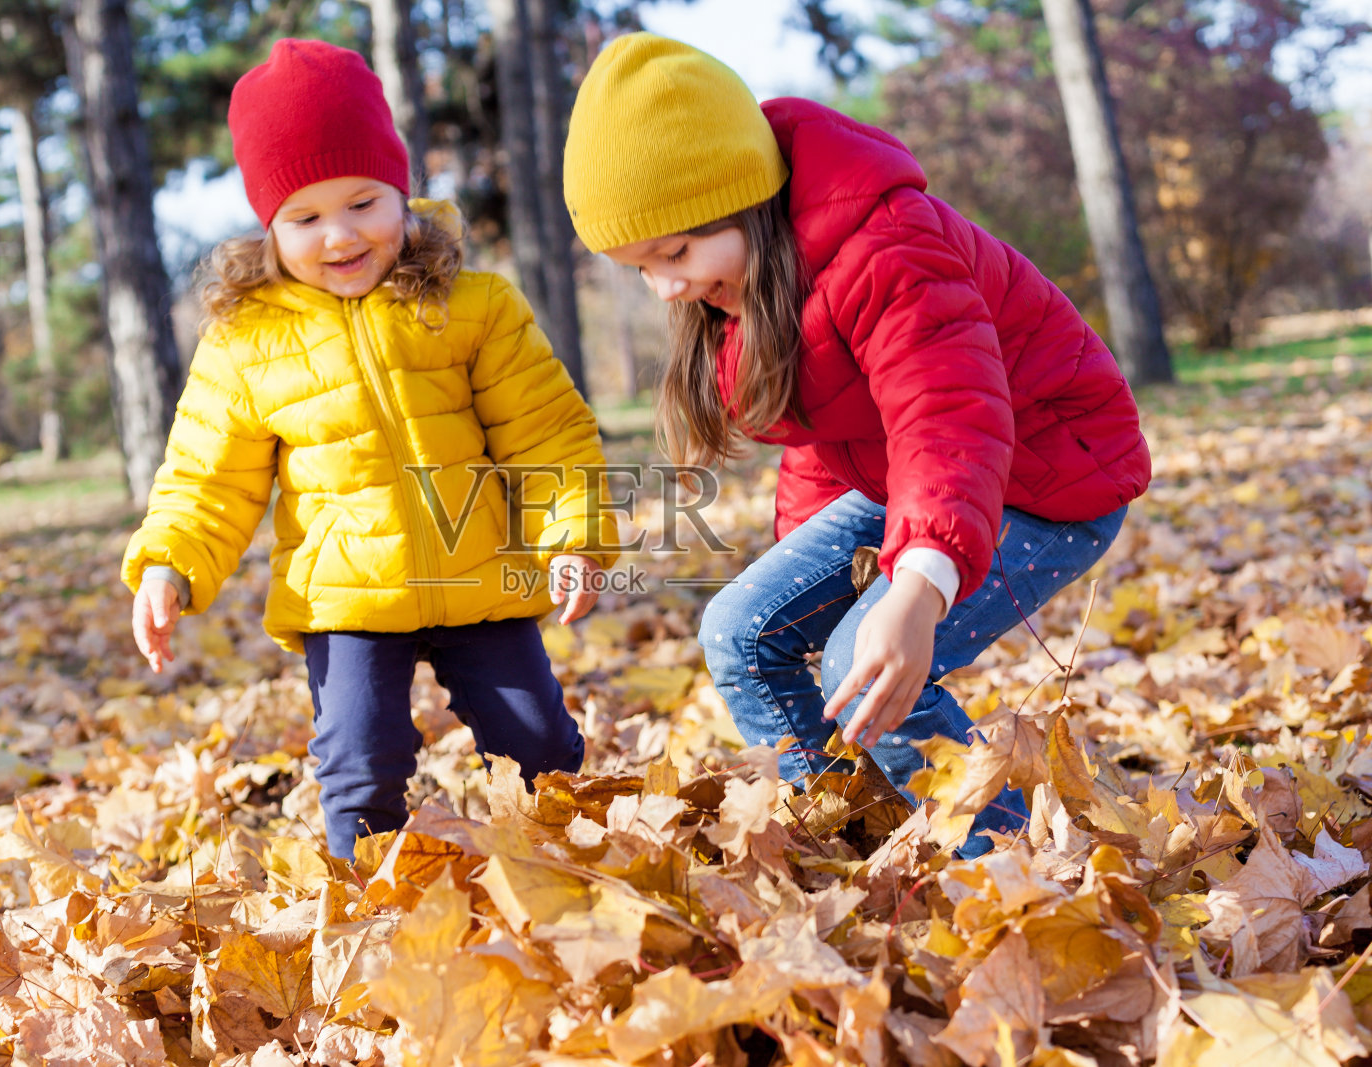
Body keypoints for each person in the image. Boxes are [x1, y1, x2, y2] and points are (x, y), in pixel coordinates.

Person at [562, 33, 1150, 858]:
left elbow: (947, 417)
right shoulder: (753, 290)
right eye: (641, 268)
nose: (668, 286)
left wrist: (916, 586)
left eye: (678, 252)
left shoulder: (888, 247)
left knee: (861, 664)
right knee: (741, 629)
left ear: (745, 195)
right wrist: (806, 569)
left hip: (1051, 475)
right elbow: (829, 438)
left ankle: (1007, 865)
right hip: (917, 479)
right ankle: (853, 831)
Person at [123, 39, 617, 860]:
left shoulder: (473, 305)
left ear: (403, 193)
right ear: (268, 227)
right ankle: (367, 912)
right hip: (345, 599)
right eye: (305, 218)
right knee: (359, 765)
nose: (340, 235)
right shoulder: (248, 341)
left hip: (480, 571)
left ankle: (570, 870)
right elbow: (206, 475)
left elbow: (547, 432)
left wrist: (574, 532)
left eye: (363, 203)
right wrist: (169, 560)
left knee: (539, 749)